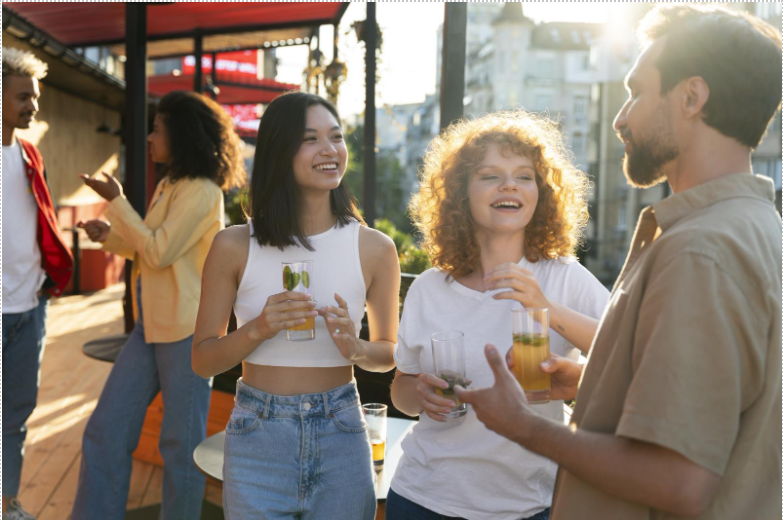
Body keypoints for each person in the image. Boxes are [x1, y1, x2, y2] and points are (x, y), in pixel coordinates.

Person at [456, 6, 782, 520]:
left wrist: (525, 426)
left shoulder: (700, 251)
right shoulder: (755, 226)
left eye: (636, 91)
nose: (620, 117)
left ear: (692, 97)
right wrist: (594, 383)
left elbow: (679, 481)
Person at [387, 111, 609, 520]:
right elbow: (402, 388)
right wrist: (419, 394)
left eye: (524, 176)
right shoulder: (429, 288)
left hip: (529, 506)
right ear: (460, 193)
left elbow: (627, 349)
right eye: (490, 175)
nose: (509, 184)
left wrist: (546, 308)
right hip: (423, 499)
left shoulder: (565, 277)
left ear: (541, 192)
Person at [191, 92, 400, 519]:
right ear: (279, 151)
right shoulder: (233, 245)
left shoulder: (375, 248)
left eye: (336, 137)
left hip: (342, 432)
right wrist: (257, 329)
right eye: (310, 139)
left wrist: (356, 348)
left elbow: (388, 355)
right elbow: (203, 360)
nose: (330, 149)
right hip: (258, 434)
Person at [71, 91, 245, 520]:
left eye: (157, 130)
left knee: (181, 449)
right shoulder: (171, 184)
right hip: (149, 327)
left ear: (181, 135)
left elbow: (158, 251)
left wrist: (116, 200)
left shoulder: (202, 191)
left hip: (186, 334)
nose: (149, 138)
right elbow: (148, 247)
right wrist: (111, 236)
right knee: (105, 432)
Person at [1, 47, 73, 520]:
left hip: (29, 306)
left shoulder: (29, 154)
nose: (34, 106)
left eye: (35, 96)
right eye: (23, 96)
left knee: (16, 414)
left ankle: (7, 503)